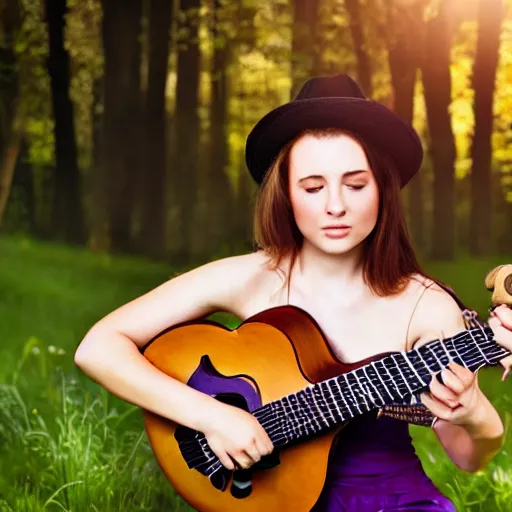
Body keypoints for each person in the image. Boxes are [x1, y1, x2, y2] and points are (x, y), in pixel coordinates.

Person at [74, 74, 512, 511]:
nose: (335, 206)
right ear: (285, 193)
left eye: (356, 185)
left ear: (383, 189)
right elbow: (98, 347)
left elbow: (467, 457)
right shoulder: (250, 276)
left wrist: (475, 414)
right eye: (313, 187)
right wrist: (210, 416)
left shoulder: (426, 307)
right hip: (269, 497)